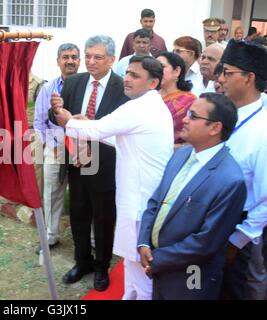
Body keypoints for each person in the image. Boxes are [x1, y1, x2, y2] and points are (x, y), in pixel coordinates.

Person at [52, 55, 174, 299]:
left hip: (140, 201)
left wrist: (69, 121)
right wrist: (86, 124)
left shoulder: (139, 107)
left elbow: (100, 130)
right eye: (127, 73)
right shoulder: (148, 105)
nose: (127, 79)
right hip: (138, 196)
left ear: (153, 83)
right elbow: (117, 136)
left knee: (141, 268)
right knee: (131, 262)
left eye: (135, 76)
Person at [138, 93, 247, 300]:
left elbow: (205, 243)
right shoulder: (180, 155)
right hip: (159, 268)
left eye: (194, 116)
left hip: (190, 279)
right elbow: (156, 202)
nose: (185, 119)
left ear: (215, 128)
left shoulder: (230, 181)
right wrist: (144, 242)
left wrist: (156, 259)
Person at [49, 35, 129, 292]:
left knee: (104, 218)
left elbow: (122, 130)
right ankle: (81, 261)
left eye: (98, 57)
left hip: (106, 164)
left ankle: (102, 266)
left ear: (112, 59)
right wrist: (56, 111)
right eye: (88, 56)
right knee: (79, 215)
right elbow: (59, 118)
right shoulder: (74, 82)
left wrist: (85, 124)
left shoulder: (122, 88)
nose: (91, 62)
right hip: (75, 162)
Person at [218, 39, 267, 300]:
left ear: (249, 77)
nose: (221, 79)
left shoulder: (263, 130)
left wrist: (237, 240)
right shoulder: (227, 113)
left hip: (241, 235)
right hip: (215, 224)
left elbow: (265, 199)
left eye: (227, 72)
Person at [33, 43, 81, 254]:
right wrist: (51, 145)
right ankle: (51, 236)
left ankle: (88, 239)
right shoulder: (48, 88)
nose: (70, 61)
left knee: (84, 194)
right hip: (55, 148)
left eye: (73, 57)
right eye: (65, 57)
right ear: (58, 61)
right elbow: (39, 121)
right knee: (51, 192)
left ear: (79, 60)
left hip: (85, 150)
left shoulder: (87, 86)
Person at [157, 52, 196, 146]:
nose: (156, 71)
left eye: (161, 66)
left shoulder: (189, 101)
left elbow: (195, 137)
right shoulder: (148, 97)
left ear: (177, 71)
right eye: (154, 67)